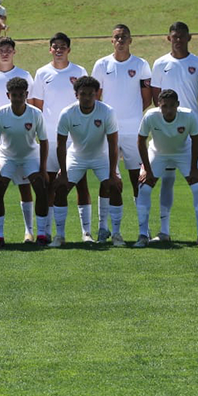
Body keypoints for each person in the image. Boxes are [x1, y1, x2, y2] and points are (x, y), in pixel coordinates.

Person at [149, 21, 198, 246]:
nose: (178, 39)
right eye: (174, 36)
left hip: (190, 134)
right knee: (166, 181)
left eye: (182, 36)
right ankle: (164, 231)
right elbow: (156, 99)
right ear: (169, 38)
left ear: (189, 38)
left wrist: (196, 122)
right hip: (165, 135)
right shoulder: (160, 64)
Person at [91, 23, 152, 245]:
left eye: (124, 37)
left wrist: (131, 114)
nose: (120, 40)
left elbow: (147, 99)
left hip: (133, 130)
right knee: (108, 178)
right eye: (117, 37)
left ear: (130, 40)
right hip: (108, 130)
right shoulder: (101, 65)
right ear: (112, 40)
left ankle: (144, 230)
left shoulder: (141, 65)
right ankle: (104, 228)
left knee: (138, 178)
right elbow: (95, 96)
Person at [31, 32, 93, 242]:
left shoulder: (79, 71)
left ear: (69, 49)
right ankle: (47, 231)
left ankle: (86, 232)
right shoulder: (41, 73)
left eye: (63, 46)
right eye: (55, 46)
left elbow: (86, 102)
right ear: (50, 49)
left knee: (81, 183)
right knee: (49, 184)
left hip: (75, 137)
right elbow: (37, 106)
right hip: (49, 137)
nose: (59, 50)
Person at [50, 76, 122, 248]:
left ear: (97, 94)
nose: (87, 97)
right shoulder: (67, 113)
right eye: (83, 94)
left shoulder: (107, 111)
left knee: (115, 187)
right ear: (76, 95)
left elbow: (113, 144)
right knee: (60, 188)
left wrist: (113, 173)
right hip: (77, 156)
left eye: (91, 94)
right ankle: (61, 235)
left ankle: (116, 234)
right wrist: (63, 173)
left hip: (101, 155)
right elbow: (60, 145)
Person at [136, 89, 198, 247]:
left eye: (172, 106)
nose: (169, 110)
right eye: (165, 106)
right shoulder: (151, 116)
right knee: (143, 188)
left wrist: (193, 168)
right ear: (159, 105)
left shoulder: (189, 115)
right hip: (158, 153)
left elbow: (196, 140)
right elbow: (141, 140)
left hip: (183, 153)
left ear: (178, 105)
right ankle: (143, 235)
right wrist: (147, 170)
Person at [0, 36, 37, 241]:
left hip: (21, 138)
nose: (4, 52)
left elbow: (32, 106)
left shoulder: (24, 75)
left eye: (8, 49)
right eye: (0, 49)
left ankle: (29, 230)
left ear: (14, 52)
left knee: (25, 185)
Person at [0, 76, 50, 245]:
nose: (17, 98)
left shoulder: (35, 113)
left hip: (30, 156)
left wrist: (43, 169)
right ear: (8, 95)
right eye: (14, 95)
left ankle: (42, 234)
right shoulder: (0, 114)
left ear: (26, 95)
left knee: (41, 187)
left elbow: (43, 141)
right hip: (8, 156)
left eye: (21, 95)